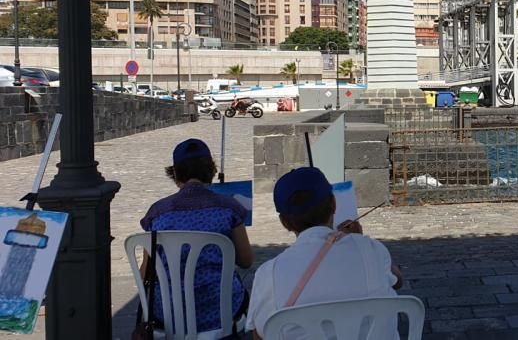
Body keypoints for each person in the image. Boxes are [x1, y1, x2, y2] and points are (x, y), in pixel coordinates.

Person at [247, 167, 403, 340]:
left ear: (285, 223)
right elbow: (397, 280)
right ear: (334, 204)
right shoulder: (371, 249)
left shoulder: (269, 274)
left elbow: (260, 334)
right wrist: (361, 242)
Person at [140, 138, 253, 335]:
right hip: (222, 311)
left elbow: (145, 273)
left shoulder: (157, 213)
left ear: (175, 173)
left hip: (169, 314)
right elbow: (246, 260)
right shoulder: (229, 208)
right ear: (211, 170)